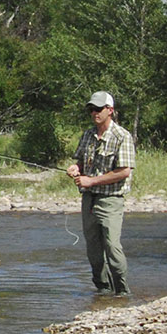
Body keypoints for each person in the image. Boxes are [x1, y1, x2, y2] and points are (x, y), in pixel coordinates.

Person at [66, 90, 134, 295]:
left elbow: (124, 171)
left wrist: (91, 181)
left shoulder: (122, 136)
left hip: (111, 199)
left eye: (98, 109)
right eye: (91, 109)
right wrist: (76, 168)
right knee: (93, 250)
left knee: (112, 247)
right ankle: (103, 291)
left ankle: (122, 292)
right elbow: (80, 161)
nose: (94, 113)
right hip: (89, 200)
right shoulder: (88, 135)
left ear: (109, 110)